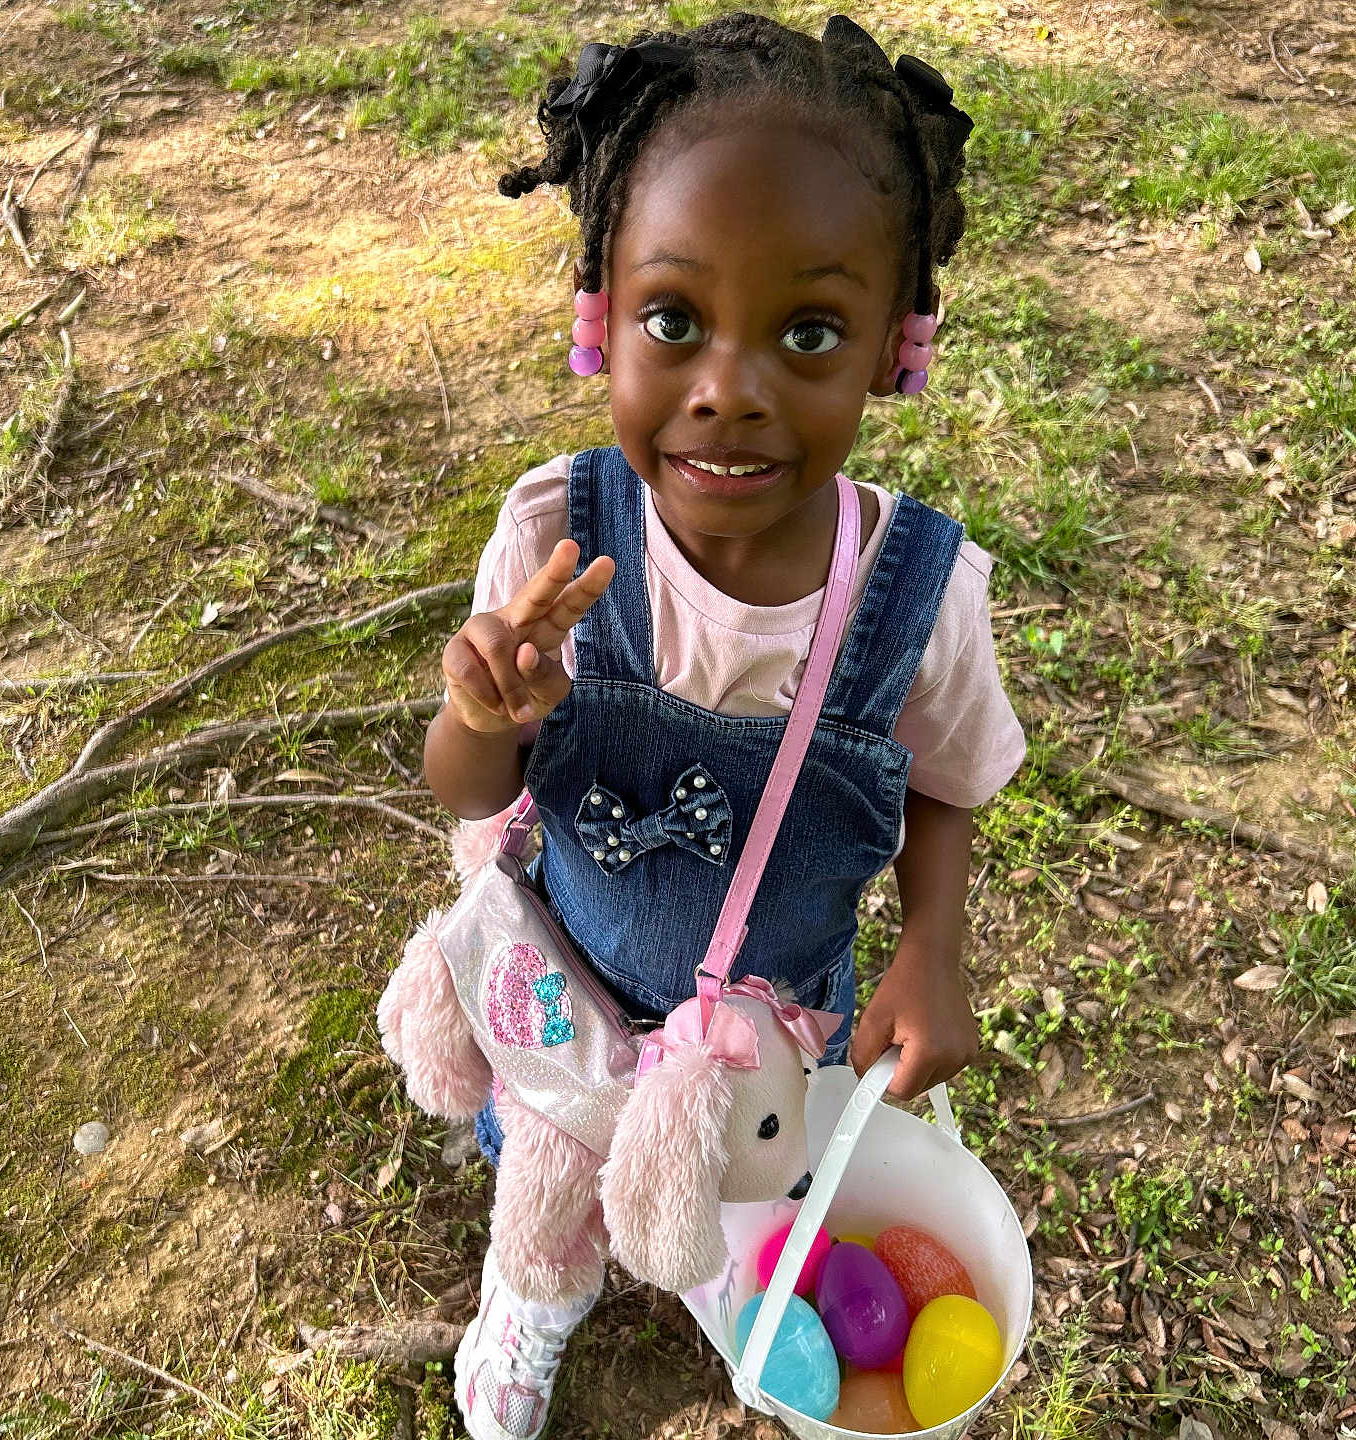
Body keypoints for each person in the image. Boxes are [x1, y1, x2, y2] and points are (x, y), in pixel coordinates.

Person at [420, 13, 1025, 1437]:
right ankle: (536, 1290)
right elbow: (462, 787)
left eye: (807, 332)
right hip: (566, 985)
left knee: (744, 1187)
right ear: (599, 315)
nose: (730, 385)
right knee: (550, 1179)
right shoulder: (556, 538)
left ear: (895, 344)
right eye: (675, 320)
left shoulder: (914, 599)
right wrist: (477, 709)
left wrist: (933, 949)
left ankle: (718, 1268)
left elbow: (947, 782)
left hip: (767, 1026)